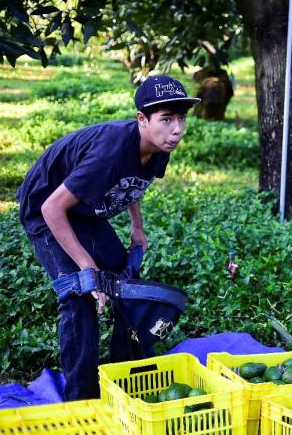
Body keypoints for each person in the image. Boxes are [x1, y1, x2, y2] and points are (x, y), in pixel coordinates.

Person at [16, 75, 199, 400]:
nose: (177, 130)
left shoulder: (160, 145)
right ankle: (80, 399)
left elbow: (134, 183)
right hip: (46, 209)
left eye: (181, 119)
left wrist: (137, 227)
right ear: (141, 119)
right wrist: (87, 266)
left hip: (85, 210)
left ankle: (126, 374)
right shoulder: (109, 153)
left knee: (127, 280)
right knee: (80, 294)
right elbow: (52, 208)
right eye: (167, 119)